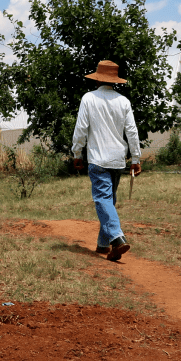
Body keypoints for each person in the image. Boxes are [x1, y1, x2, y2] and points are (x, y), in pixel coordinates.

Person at [71, 60, 141, 262]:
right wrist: (135, 158)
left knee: (102, 200)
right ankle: (103, 245)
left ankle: (117, 239)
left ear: (97, 79)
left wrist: (77, 154)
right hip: (117, 160)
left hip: (98, 159)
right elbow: (132, 132)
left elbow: (81, 129)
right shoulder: (123, 101)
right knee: (109, 201)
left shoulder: (89, 99)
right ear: (115, 81)